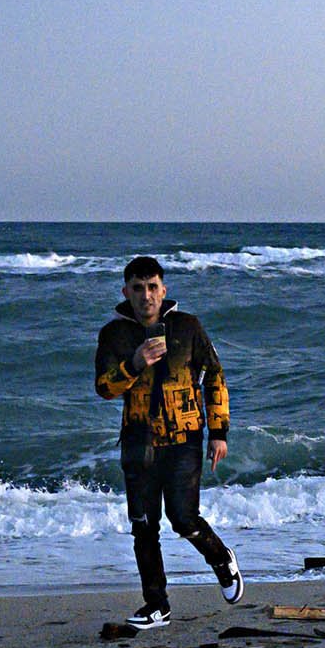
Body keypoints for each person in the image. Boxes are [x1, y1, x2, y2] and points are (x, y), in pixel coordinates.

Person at [94, 256, 242, 628]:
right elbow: (105, 388)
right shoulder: (114, 334)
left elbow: (214, 376)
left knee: (183, 518)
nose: (146, 296)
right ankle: (157, 605)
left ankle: (221, 558)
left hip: (184, 438)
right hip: (138, 440)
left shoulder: (187, 327)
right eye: (138, 288)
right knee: (144, 527)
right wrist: (134, 363)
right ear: (126, 292)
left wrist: (218, 432)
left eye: (152, 287)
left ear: (164, 290)